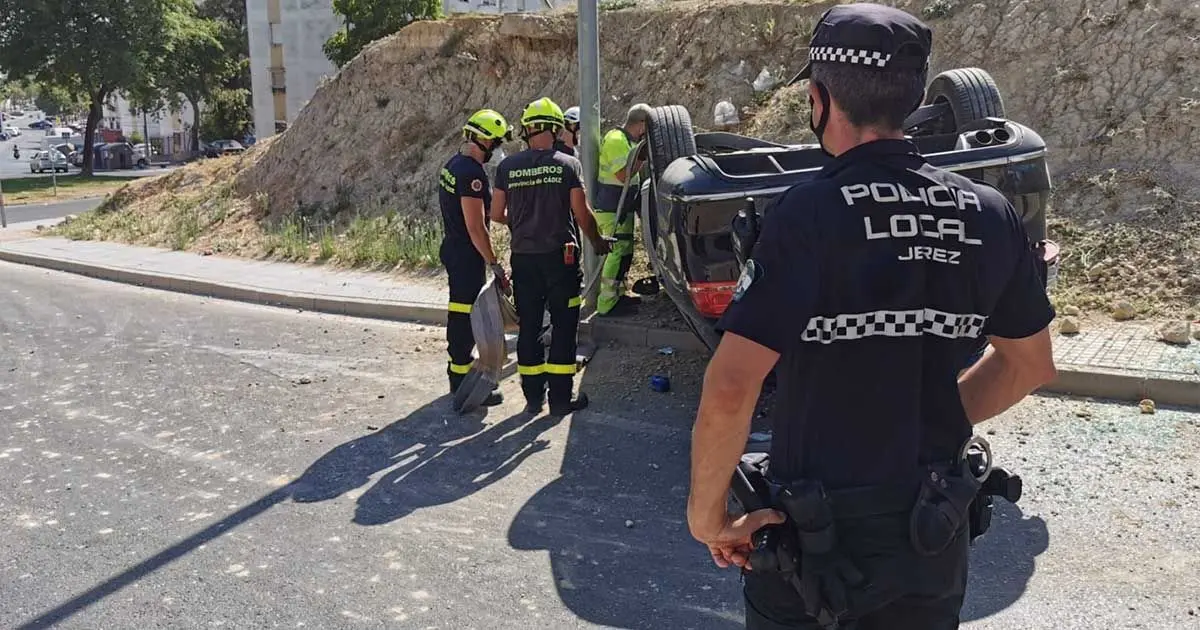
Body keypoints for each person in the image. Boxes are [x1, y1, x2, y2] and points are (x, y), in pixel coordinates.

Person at [684, 4, 1058, 629]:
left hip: (813, 544)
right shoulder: (987, 213)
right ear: (911, 98)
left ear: (819, 99)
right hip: (931, 536)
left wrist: (708, 518)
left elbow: (730, 386)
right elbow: (1032, 364)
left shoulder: (806, 215)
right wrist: (927, 415)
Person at [491, 97, 611, 416]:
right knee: (564, 325)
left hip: (523, 258)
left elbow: (495, 213)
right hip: (562, 260)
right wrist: (598, 241)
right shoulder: (567, 164)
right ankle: (560, 400)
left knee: (529, 326)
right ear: (557, 129)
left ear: (527, 130)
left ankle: (533, 398)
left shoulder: (506, 167)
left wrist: (520, 218)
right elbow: (581, 213)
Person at [437, 108, 513, 407]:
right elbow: (476, 227)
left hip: (454, 249)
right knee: (464, 315)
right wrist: (493, 262)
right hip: (466, 255)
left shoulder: (453, 165)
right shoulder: (471, 174)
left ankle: (459, 369)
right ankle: (459, 379)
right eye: (495, 143)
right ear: (483, 141)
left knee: (461, 312)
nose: (497, 150)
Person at [594, 103, 651, 316]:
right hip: (611, 207)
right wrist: (642, 156)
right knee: (615, 252)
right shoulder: (616, 140)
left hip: (623, 205)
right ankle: (606, 304)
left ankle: (618, 295)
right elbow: (622, 175)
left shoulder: (628, 141)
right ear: (641, 124)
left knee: (626, 251)